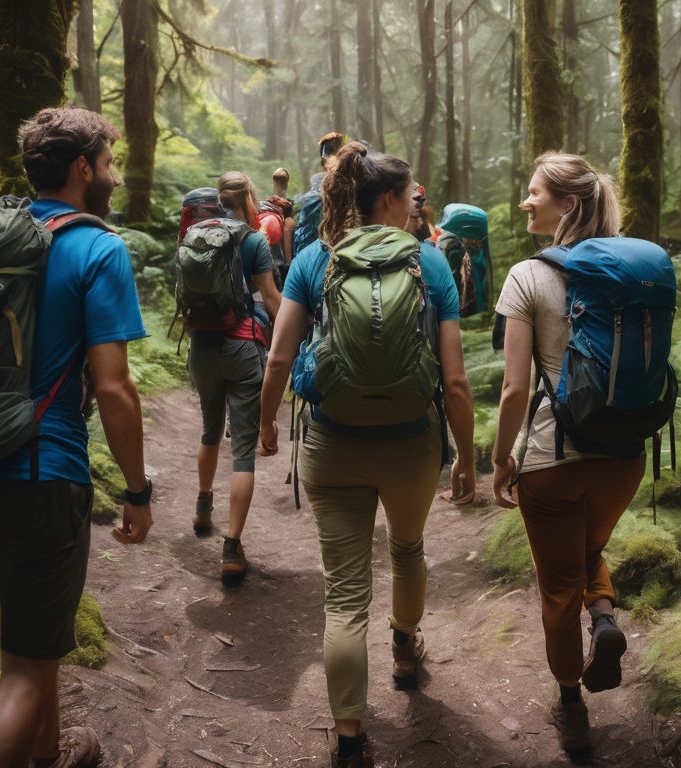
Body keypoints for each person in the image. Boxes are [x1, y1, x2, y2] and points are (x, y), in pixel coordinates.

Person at [0, 106, 152, 768]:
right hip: (37, 476)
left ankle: (51, 753)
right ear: (83, 169)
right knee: (22, 673)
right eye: (109, 164)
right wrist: (137, 490)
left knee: (30, 637)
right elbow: (113, 388)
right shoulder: (97, 247)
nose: (112, 176)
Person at [259, 142, 477, 768]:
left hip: (332, 441)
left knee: (345, 594)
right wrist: (464, 456)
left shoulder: (312, 260)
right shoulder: (430, 264)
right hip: (411, 442)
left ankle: (350, 737)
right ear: (389, 198)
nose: (416, 204)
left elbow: (278, 357)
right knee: (407, 550)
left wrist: (269, 426)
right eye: (411, 195)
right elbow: (456, 382)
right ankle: (406, 650)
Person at [489, 152, 646, 759]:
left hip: (554, 459)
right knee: (588, 548)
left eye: (534, 193)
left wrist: (502, 459)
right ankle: (604, 614)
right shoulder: (632, 269)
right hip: (624, 456)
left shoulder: (528, 276)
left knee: (557, 587)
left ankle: (571, 705)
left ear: (568, 204)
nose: (525, 202)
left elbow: (514, 389)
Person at [188, 171, 282, 585]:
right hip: (242, 348)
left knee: (210, 431)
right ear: (247, 196)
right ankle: (231, 547)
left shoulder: (196, 234)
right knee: (242, 451)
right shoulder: (253, 239)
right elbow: (272, 298)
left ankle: (203, 506)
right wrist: (291, 337)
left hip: (202, 348)